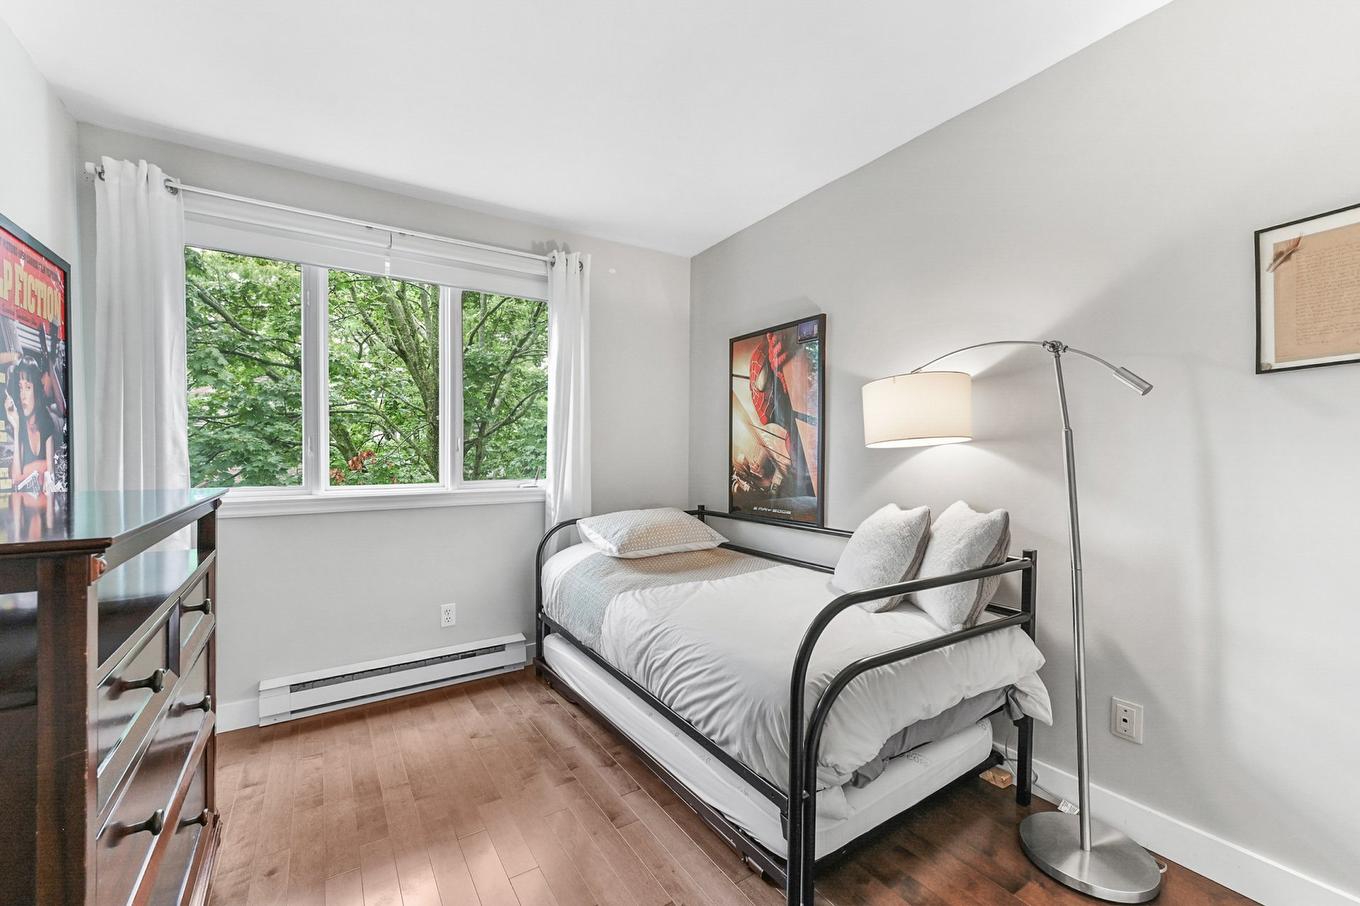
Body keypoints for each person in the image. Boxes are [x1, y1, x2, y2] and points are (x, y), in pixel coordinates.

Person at [5, 357, 56, 491]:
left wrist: (28, 469)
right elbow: (16, 479)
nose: (23, 396)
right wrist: (16, 428)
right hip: (23, 506)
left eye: (28, 387)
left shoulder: (47, 423)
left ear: (37, 390)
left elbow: (51, 473)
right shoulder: (20, 425)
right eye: (20, 388)